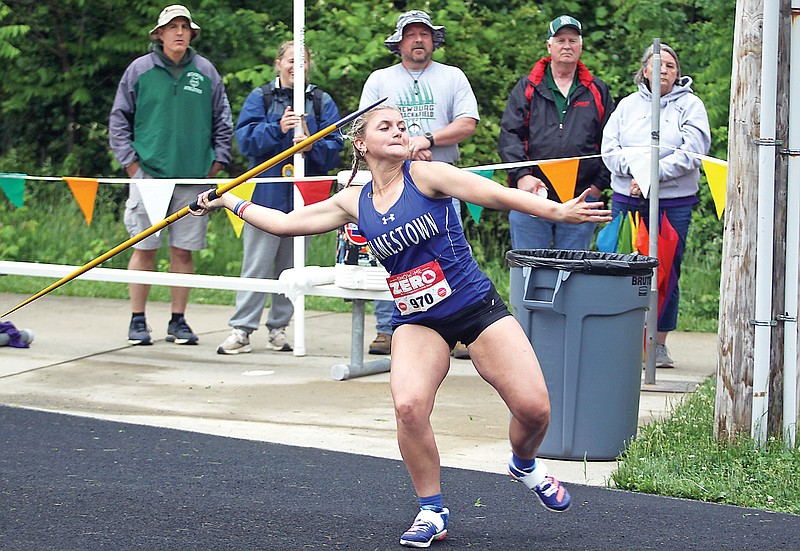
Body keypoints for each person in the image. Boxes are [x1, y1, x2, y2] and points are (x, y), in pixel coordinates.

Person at [190, 106, 610, 548]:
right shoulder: (353, 200)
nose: (398, 132)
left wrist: (557, 212)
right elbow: (284, 224)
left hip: (473, 307)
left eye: (402, 126)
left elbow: (494, 195)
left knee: (535, 410)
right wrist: (226, 199)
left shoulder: (428, 176)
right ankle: (432, 509)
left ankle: (524, 464)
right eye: (384, 126)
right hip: (416, 319)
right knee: (408, 406)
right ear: (361, 144)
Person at [109, 4, 233, 346]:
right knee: (144, 247)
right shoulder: (139, 70)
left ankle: (178, 321)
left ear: (192, 33)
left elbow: (223, 120)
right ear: (159, 34)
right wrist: (132, 166)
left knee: (183, 251)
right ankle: (137, 320)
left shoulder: (206, 70)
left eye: (184, 26)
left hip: (194, 177)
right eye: (172, 27)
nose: (179, 32)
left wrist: (216, 164)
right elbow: (119, 119)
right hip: (149, 175)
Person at [359, 9, 480, 359]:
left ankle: (458, 328)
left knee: (450, 255)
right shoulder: (380, 79)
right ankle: (387, 329)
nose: (418, 40)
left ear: (434, 40)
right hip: (390, 180)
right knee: (391, 254)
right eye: (410, 34)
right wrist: (405, 154)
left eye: (424, 34)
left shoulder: (452, 76)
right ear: (398, 43)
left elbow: (467, 123)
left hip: (440, 180)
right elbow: (367, 127)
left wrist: (425, 139)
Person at [216, 41, 344, 355]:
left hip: (305, 199)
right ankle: (242, 329)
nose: (294, 66)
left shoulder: (320, 101)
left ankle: (279, 328)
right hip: (265, 196)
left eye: (301, 61)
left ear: (308, 66)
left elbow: (335, 146)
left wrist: (313, 146)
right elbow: (245, 141)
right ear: (278, 63)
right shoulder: (262, 97)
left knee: (292, 267)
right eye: (289, 60)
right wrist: (277, 128)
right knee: (257, 264)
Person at [601, 44, 710, 368]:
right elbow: (609, 149)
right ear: (644, 71)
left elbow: (693, 151)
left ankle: (658, 343)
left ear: (677, 73)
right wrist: (635, 174)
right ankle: (621, 337)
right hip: (628, 198)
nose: (663, 70)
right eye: (657, 64)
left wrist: (652, 176)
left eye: (670, 66)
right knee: (621, 265)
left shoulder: (690, 105)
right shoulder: (627, 106)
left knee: (666, 270)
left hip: (672, 201)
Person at [498, 15, 614, 251]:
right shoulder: (527, 87)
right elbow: (510, 134)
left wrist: (598, 185)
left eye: (573, 40)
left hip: (581, 196)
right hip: (531, 193)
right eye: (561, 40)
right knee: (529, 266)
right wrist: (521, 175)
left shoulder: (597, 90)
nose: (567, 46)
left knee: (572, 270)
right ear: (549, 46)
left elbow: (611, 140)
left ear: (581, 45)